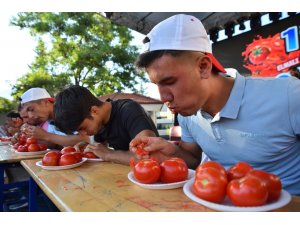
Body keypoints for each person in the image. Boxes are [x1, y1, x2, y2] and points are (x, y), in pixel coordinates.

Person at [129, 14, 300, 196]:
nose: (163, 97)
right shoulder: (188, 114)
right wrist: (170, 152)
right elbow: (193, 158)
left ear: (203, 66)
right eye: (157, 85)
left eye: (169, 81)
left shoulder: (289, 94)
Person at [54, 85, 159, 166]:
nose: (83, 134)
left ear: (94, 111)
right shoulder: (100, 123)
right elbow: (100, 148)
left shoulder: (129, 110)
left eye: (82, 128)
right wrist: (89, 148)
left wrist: (108, 154)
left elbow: (148, 156)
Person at [19, 87, 89, 147]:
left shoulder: (66, 111)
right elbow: (55, 143)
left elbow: (85, 139)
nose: (31, 116)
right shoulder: (49, 121)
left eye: (31, 109)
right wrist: (31, 137)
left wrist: (45, 135)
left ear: (45, 102)